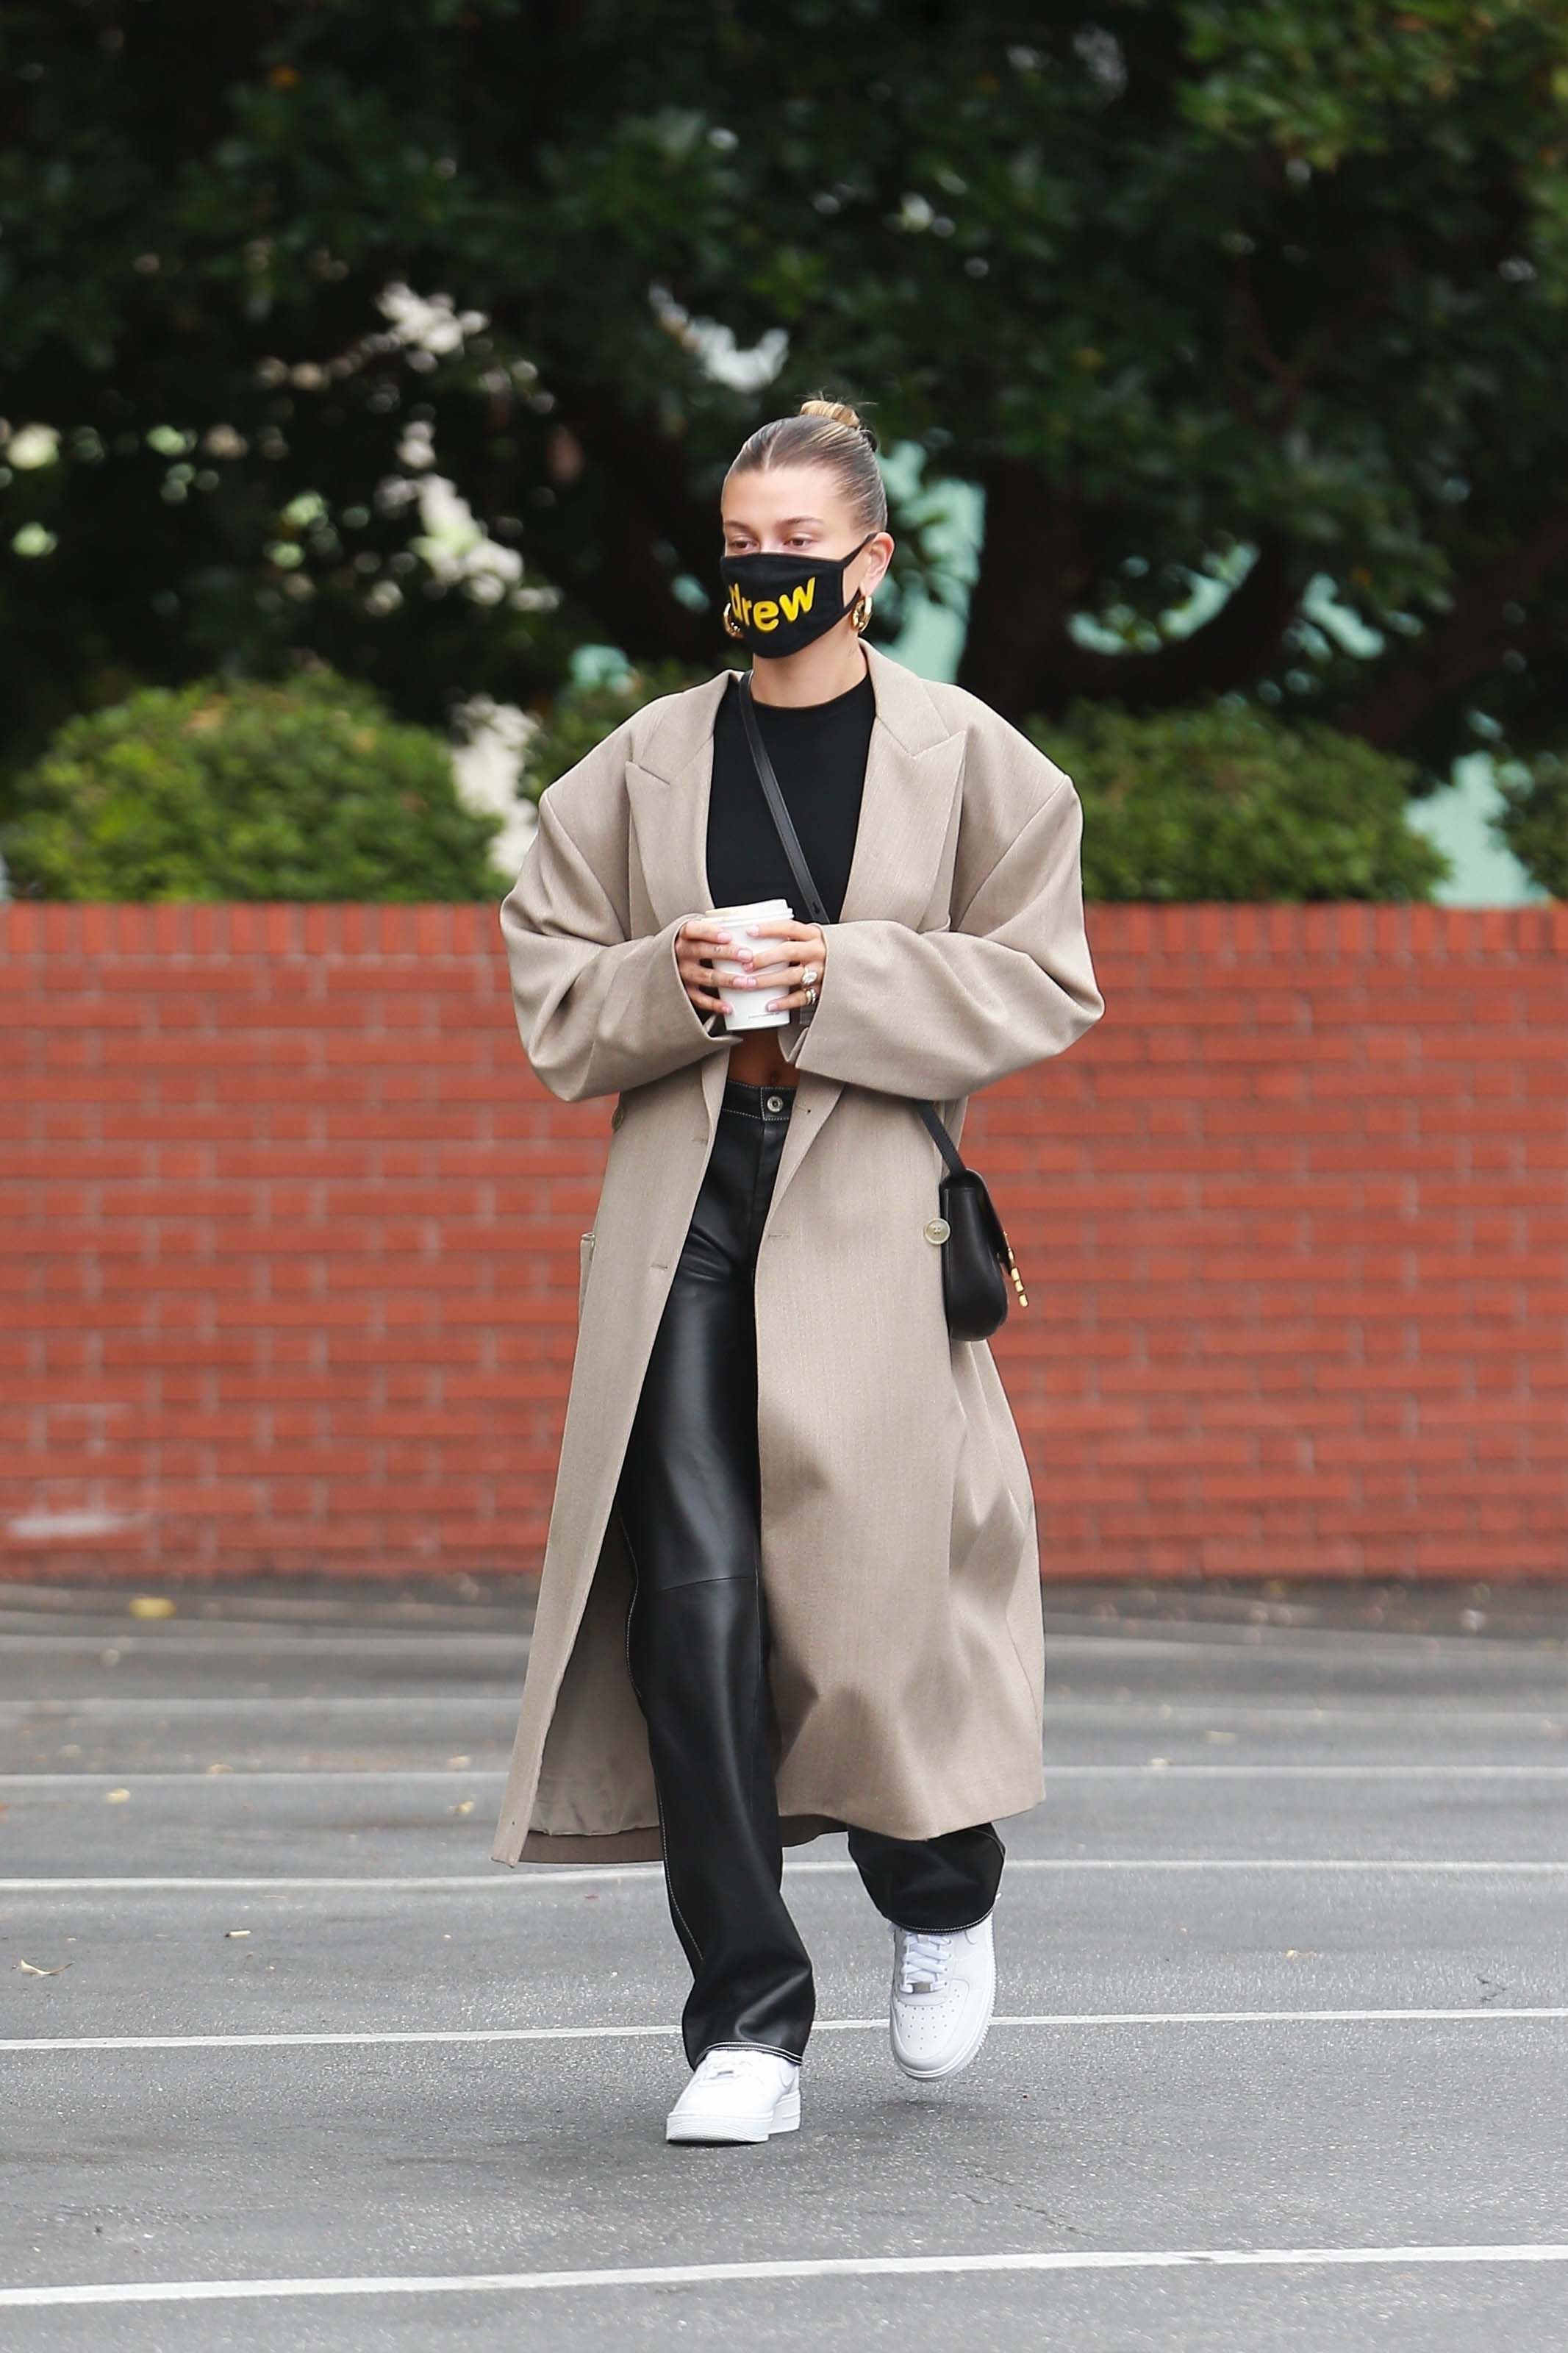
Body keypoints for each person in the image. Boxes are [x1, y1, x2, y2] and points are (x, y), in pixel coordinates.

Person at [490, 396, 1106, 2147]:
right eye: (741, 549)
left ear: (871, 564)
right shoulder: (640, 764)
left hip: (863, 1221)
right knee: (690, 1619)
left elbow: (1041, 982)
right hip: (688, 1207)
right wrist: (663, 983)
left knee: (864, 1613)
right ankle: (746, 2014)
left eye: (796, 553)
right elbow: (550, 983)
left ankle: (938, 1888)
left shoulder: (979, 763)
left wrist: (836, 975)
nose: (763, 579)